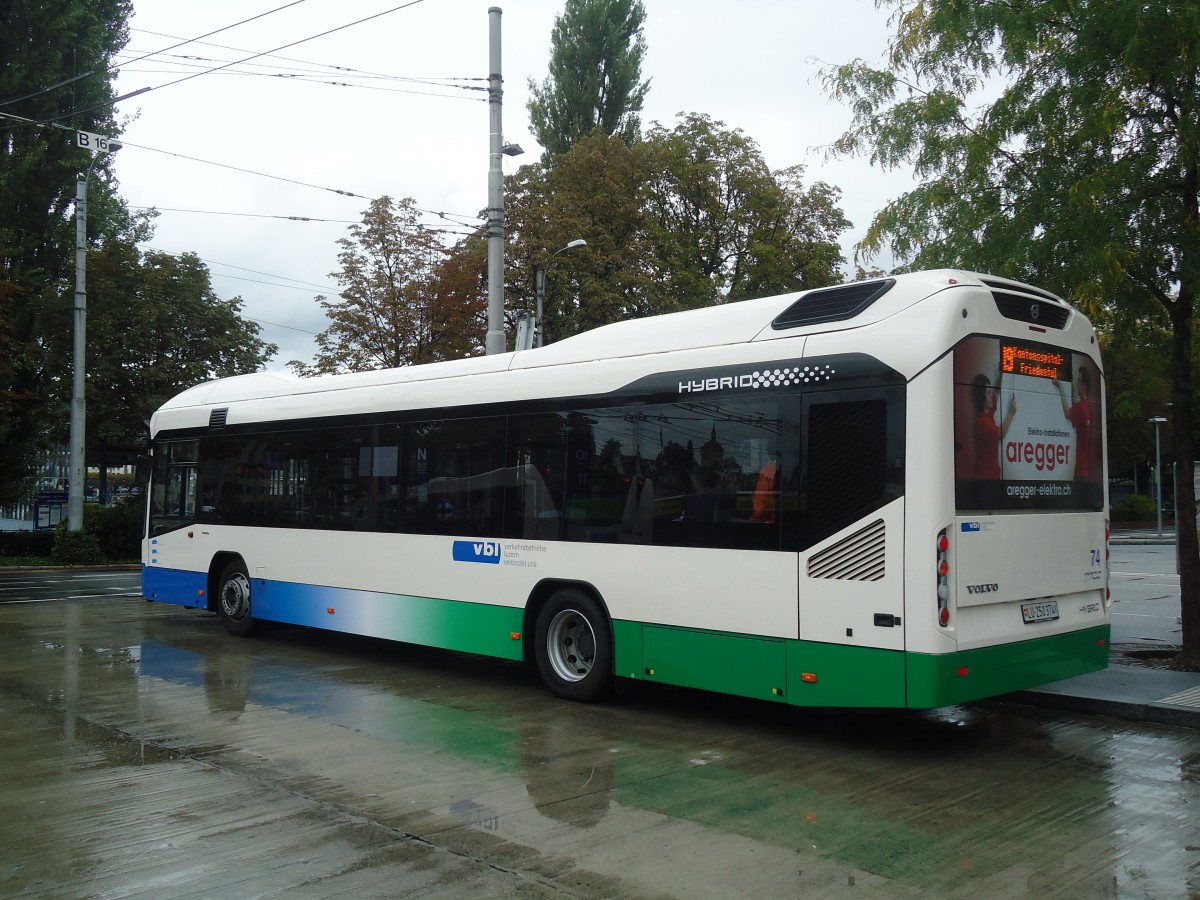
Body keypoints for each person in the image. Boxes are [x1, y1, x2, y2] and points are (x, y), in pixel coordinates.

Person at [972, 372, 1016, 479]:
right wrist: (1011, 413)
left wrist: (1000, 375)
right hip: (986, 479)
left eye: (990, 391)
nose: (991, 395)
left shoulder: (989, 411)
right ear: (982, 399)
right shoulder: (981, 422)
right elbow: (1001, 433)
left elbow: (996, 392)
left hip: (992, 477)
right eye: (988, 393)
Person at [1054, 367, 1092, 480]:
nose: (1077, 385)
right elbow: (1074, 406)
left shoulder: (1081, 408)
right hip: (1083, 469)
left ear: (1084, 386)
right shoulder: (1086, 406)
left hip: (1080, 471)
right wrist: (1070, 385)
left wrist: (1060, 387)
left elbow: (1067, 412)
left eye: (1078, 382)